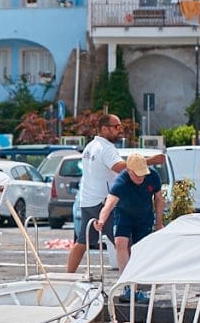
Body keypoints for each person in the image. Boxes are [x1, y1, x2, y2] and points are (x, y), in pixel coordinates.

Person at [65, 114, 165, 272]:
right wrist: (151, 160)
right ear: (104, 129)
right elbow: (121, 167)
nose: (120, 130)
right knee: (126, 244)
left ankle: (68, 276)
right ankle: (135, 283)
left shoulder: (91, 146)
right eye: (116, 127)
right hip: (105, 202)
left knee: (82, 242)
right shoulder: (106, 148)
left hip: (88, 201)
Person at [92, 153, 165, 303]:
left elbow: (159, 199)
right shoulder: (121, 182)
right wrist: (101, 221)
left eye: (143, 174)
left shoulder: (153, 176)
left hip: (144, 216)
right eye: (137, 175)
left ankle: (137, 285)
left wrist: (159, 223)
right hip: (124, 214)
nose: (141, 178)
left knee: (139, 249)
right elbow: (109, 204)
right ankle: (127, 286)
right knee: (120, 243)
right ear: (129, 171)